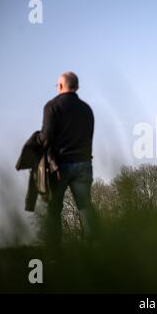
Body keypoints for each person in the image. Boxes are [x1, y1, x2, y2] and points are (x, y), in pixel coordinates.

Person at [37, 71, 97, 249]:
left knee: (54, 209)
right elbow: (89, 136)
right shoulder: (87, 109)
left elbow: (46, 137)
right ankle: (95, 247)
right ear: (76, 87)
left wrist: (37, 140)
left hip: (59, 167)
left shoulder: (52, 106)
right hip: (84, 163)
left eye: (57, 85)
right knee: (85, 206)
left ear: (61, 86)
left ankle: (53, 252)